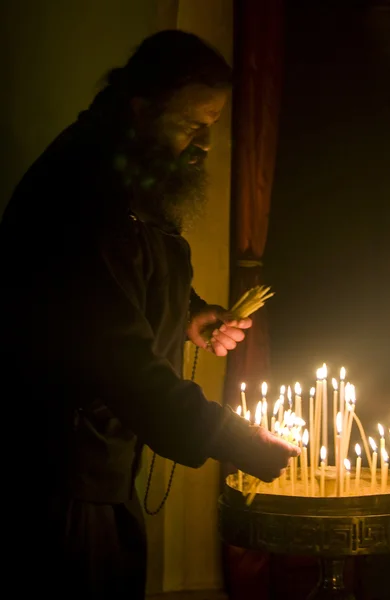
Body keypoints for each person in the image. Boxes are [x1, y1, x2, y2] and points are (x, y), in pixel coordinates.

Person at [0, 30, 298, 599]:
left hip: (99, 463)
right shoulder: (83, 191)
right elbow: (119, 358)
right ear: (141, 109)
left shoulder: (124, 171)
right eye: (192, 124)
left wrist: (188, 314)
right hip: (61, 471)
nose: (205, 143)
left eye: (212, 124)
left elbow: (129, 275)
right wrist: (234, 439)